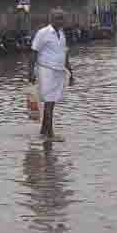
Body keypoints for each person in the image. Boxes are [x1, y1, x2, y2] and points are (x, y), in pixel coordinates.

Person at [30, 10, 74, 141]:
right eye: (58, 18)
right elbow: (33, 52)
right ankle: (50, 135)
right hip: (46, 71)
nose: (60, 21)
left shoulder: (61, 33)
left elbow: (64, 54)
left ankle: (44, 131)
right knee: (49, 103)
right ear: (51, 19)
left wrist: (71, 72)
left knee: (52, 102)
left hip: (59, 71)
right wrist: (30, 72)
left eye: (62, 18)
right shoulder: (43, 33)